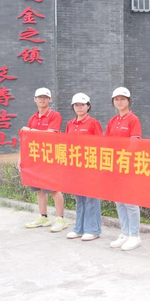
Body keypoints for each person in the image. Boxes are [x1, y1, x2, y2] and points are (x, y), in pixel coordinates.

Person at [20, 87, 66, 233]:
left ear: (50, 99)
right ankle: (43, 217)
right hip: (36, 158)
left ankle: (61, 219)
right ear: (35, 99)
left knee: (54, 189)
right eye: (39, 97)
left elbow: (50, 135)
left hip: (50, 157)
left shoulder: (54, 115)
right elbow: (27, 141)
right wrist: (21, 159)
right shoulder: (33, 118)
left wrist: (30, 131)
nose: (42, 99)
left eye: (45, 97)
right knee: (39, 189)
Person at [105, 87, 143, 252]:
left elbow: (134, 144)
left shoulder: (133, 119)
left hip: (128, 166)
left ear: (128, 101)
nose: (119, 102)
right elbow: (107, 143)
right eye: (116, 99)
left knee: (130, 202)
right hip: (114, 166)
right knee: (119, 200)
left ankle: (135, 235)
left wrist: (122, 160)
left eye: (122, 99)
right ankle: (125, 233)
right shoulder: (113, 121)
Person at [64, 93, 104, 242]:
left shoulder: (93, 123)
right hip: (75, 167)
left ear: (88, 106)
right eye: (76, 105)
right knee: (79, 198)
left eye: (82, 105)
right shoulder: (70, 124)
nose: (79, 107)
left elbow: (100, 145)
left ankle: (93, 229)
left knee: (91, 198)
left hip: (90, 165)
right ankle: (79, 228)